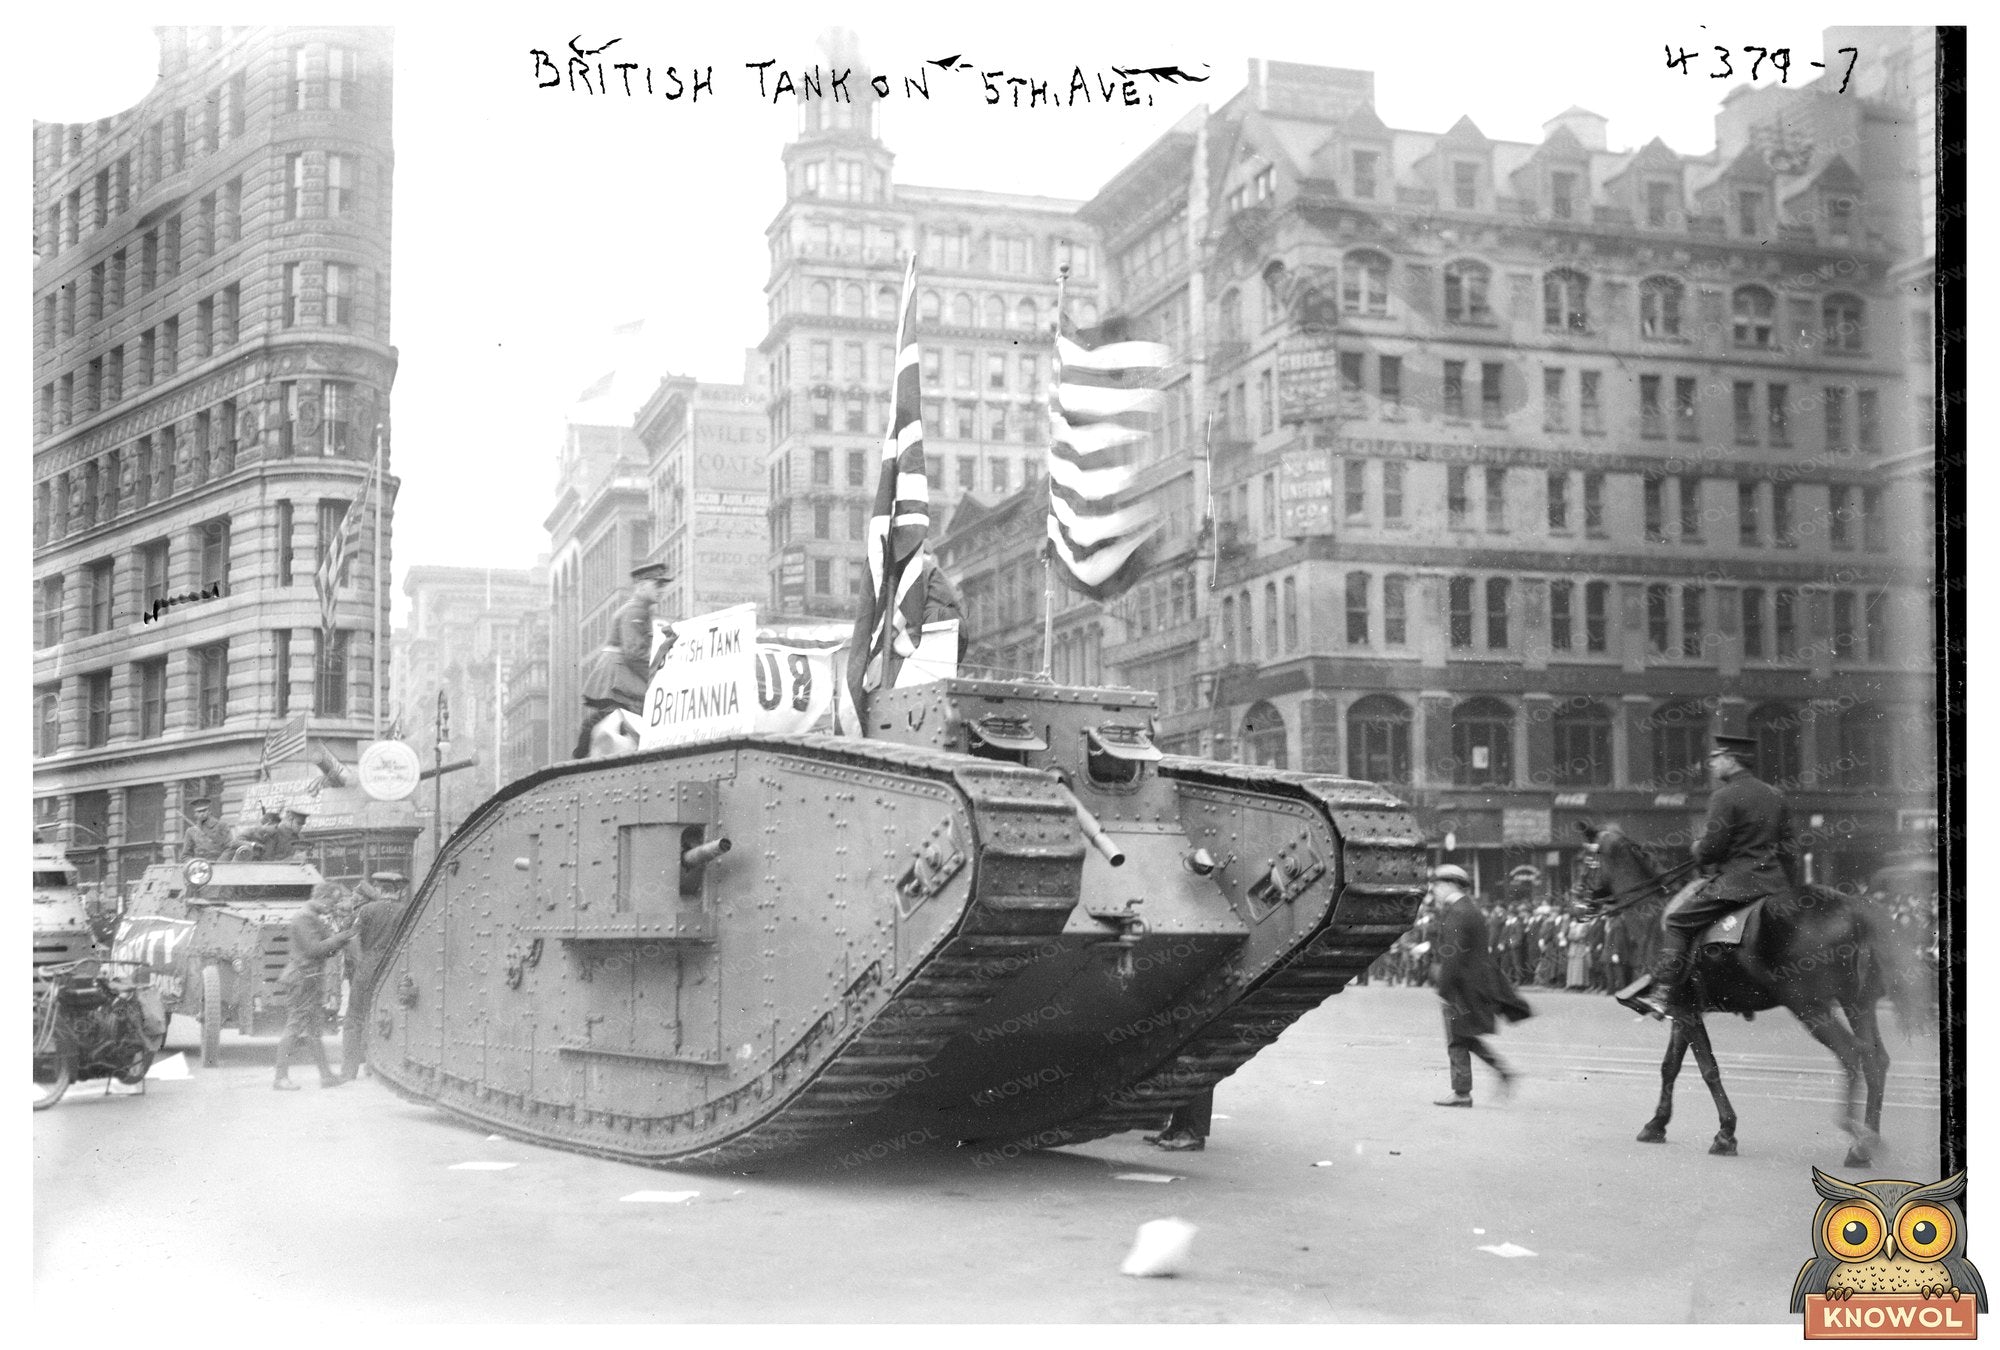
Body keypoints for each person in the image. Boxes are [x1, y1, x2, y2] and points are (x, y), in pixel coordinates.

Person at [1617, 733, 1798, 1019]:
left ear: (1732, 760)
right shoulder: (1776, 795)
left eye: (1716, 759)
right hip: (1775, 885)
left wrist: (1697, 848)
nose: (1712, 765)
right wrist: (1791, 888)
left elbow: (1713, 849)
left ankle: (1664, 991)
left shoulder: (1724, 796)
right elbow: (1790, 850)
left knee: (1677, 921)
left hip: (1737, 884)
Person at [1430, 865, 1532, 1107]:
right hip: (1474, 984)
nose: (1434, 890)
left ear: (1449, 885)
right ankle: (1502, 1072)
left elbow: (1452, 956)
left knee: (1457, 1038)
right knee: (1463, 1036)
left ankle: (1462, 1093)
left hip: (1461, 987)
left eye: (1436, 885)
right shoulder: (1470, 909)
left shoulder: (1457, 912)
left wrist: (1444, 990)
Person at [575, 561, 675, 758]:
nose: (661, 590)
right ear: (642, 585)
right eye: (657, 584)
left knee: (616, 716)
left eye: (663, 585)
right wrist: (659, 675)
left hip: (619, 671)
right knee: (632, 715)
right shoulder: (635, 610)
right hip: (620, 673)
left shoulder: (639, 608)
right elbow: (634, 652)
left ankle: (582, 750)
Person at [274, 884, 358, 1090]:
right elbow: (314, 949)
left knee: (313, 1030)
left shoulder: (311, 916)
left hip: (309, 978)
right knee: (294, 1027)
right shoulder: (305, 918)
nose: (333, 906)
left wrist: (341, 937)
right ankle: (280, 1077)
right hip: (302, 978)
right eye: (332, 901)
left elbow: (326, 949)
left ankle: (326, 1076)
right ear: (321, 897)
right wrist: (343, 937)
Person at [337, 875, 406, 1080]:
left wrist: (360, 962)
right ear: (397, 890)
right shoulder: (405, 910)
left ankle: (348, 1072)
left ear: (379, 888)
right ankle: (376, 1068)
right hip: (392, 969)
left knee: (354, 1018)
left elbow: (353, 938)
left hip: (367, 967)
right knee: (384, 1017)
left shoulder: (367, 910)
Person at [181, 796, 233, 861]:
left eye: (204, 811)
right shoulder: (191, 831)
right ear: (195, 814)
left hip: (220, 864)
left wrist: (220, 862)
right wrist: (197, 864)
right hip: (201, 866)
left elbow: (230, 847)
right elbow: (185, 855)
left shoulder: (222, 826)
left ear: (209, 811)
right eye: (199, 812)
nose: (202, 814)